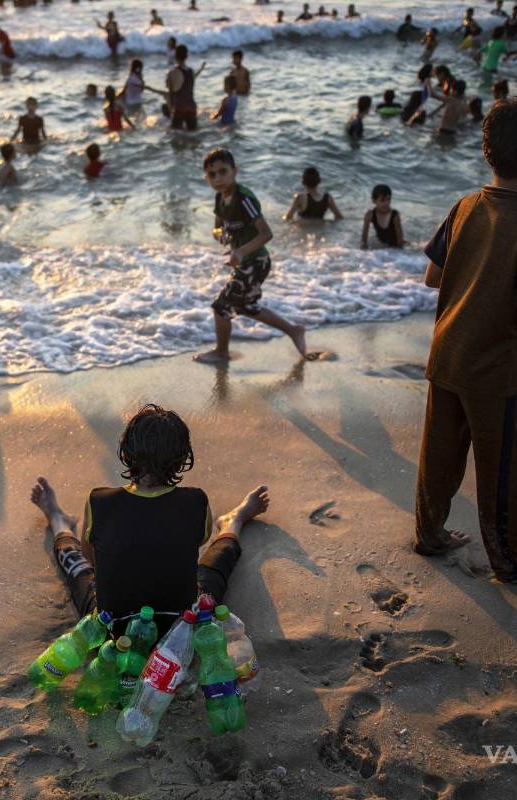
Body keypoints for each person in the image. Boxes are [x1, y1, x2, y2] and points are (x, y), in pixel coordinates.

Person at [415, 95, 517, 586]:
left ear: (487, 151)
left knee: (439, 454)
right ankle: (511, 563)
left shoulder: (465, 206)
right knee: (500, 469)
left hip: (448, 354)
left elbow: (432, 277)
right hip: (496, 373)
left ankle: (430, 535)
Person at [29, 404, 270, 635]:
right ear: (182, 458)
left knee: (79, 570)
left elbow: (90, 558)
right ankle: (233, 521)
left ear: (126, 452)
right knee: (213, 571)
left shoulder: (100, 500)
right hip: (180, 624)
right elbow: (194, 545)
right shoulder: (196, 501)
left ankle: (59, 521)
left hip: (113, 628)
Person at [194, 148, 308, 364]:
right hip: (246, 262)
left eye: (223, 172)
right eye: (211, 174)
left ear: (235, 171)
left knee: (221, 307)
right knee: (247, 307)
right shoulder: (220, 198)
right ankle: (294, 331)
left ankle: (221, 352)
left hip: (256, 261)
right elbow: (217, 227)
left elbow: (266, 233)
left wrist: (240, 251)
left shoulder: (243, 198)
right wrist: (220, 234)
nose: (217, 178)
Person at [166, 45, 204, 131]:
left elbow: (170, 94)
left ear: (175, 56)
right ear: (186, 56)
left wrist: (171, 110)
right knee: (193, 134)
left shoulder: (172, 73)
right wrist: (201, 68)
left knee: (175, 134)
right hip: (191, 108)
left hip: (179, 108)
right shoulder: (191, 71)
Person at [361, 184, 404, 248]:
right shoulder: (370, 215)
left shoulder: (394, 215)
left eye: (388, 199)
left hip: (395, 246)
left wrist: (399, 252)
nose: (386, 203)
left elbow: (400, 240)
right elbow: (364, 240)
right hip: (382, 245)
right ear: (374, 200)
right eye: (382, 200)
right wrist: (363, 248)